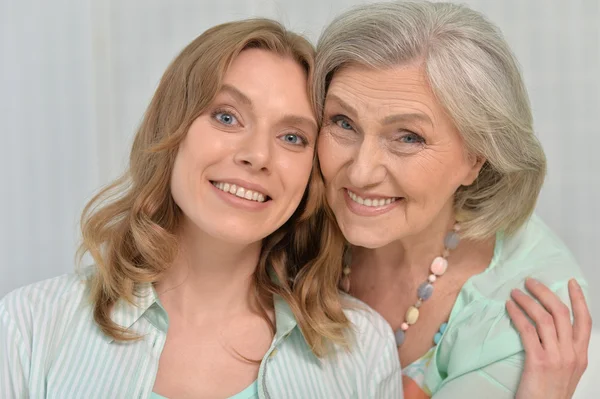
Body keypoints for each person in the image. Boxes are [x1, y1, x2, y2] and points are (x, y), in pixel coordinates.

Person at [0, 19, 402, 398]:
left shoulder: (360, 349)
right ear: (171, 130)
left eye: (293, 137)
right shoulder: (29, 326)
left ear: (312, 173)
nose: (257, 155)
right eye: (227, 117)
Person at [314, 1, 591, 398]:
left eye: (408, 137)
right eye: (343, 123)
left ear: (475, 158)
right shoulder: (290, 220)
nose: (360, 172)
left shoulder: (523, 316)